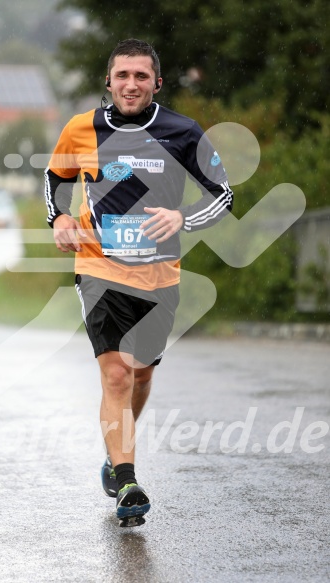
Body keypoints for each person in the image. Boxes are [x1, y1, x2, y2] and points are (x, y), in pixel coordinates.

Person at [44, 38, 233, 527]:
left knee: (143, 373)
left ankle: (114, 452)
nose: (131, 84)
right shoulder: (81, 128)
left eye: (141, 76)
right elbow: (55, 179)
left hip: (159, 275)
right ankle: (127, 479)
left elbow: (222, 194)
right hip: (99, 267)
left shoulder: (182, 132)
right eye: (122, 75)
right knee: (116, 374)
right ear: (108, 81)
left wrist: (182, 218)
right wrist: (59, 220)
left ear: (156, 83)